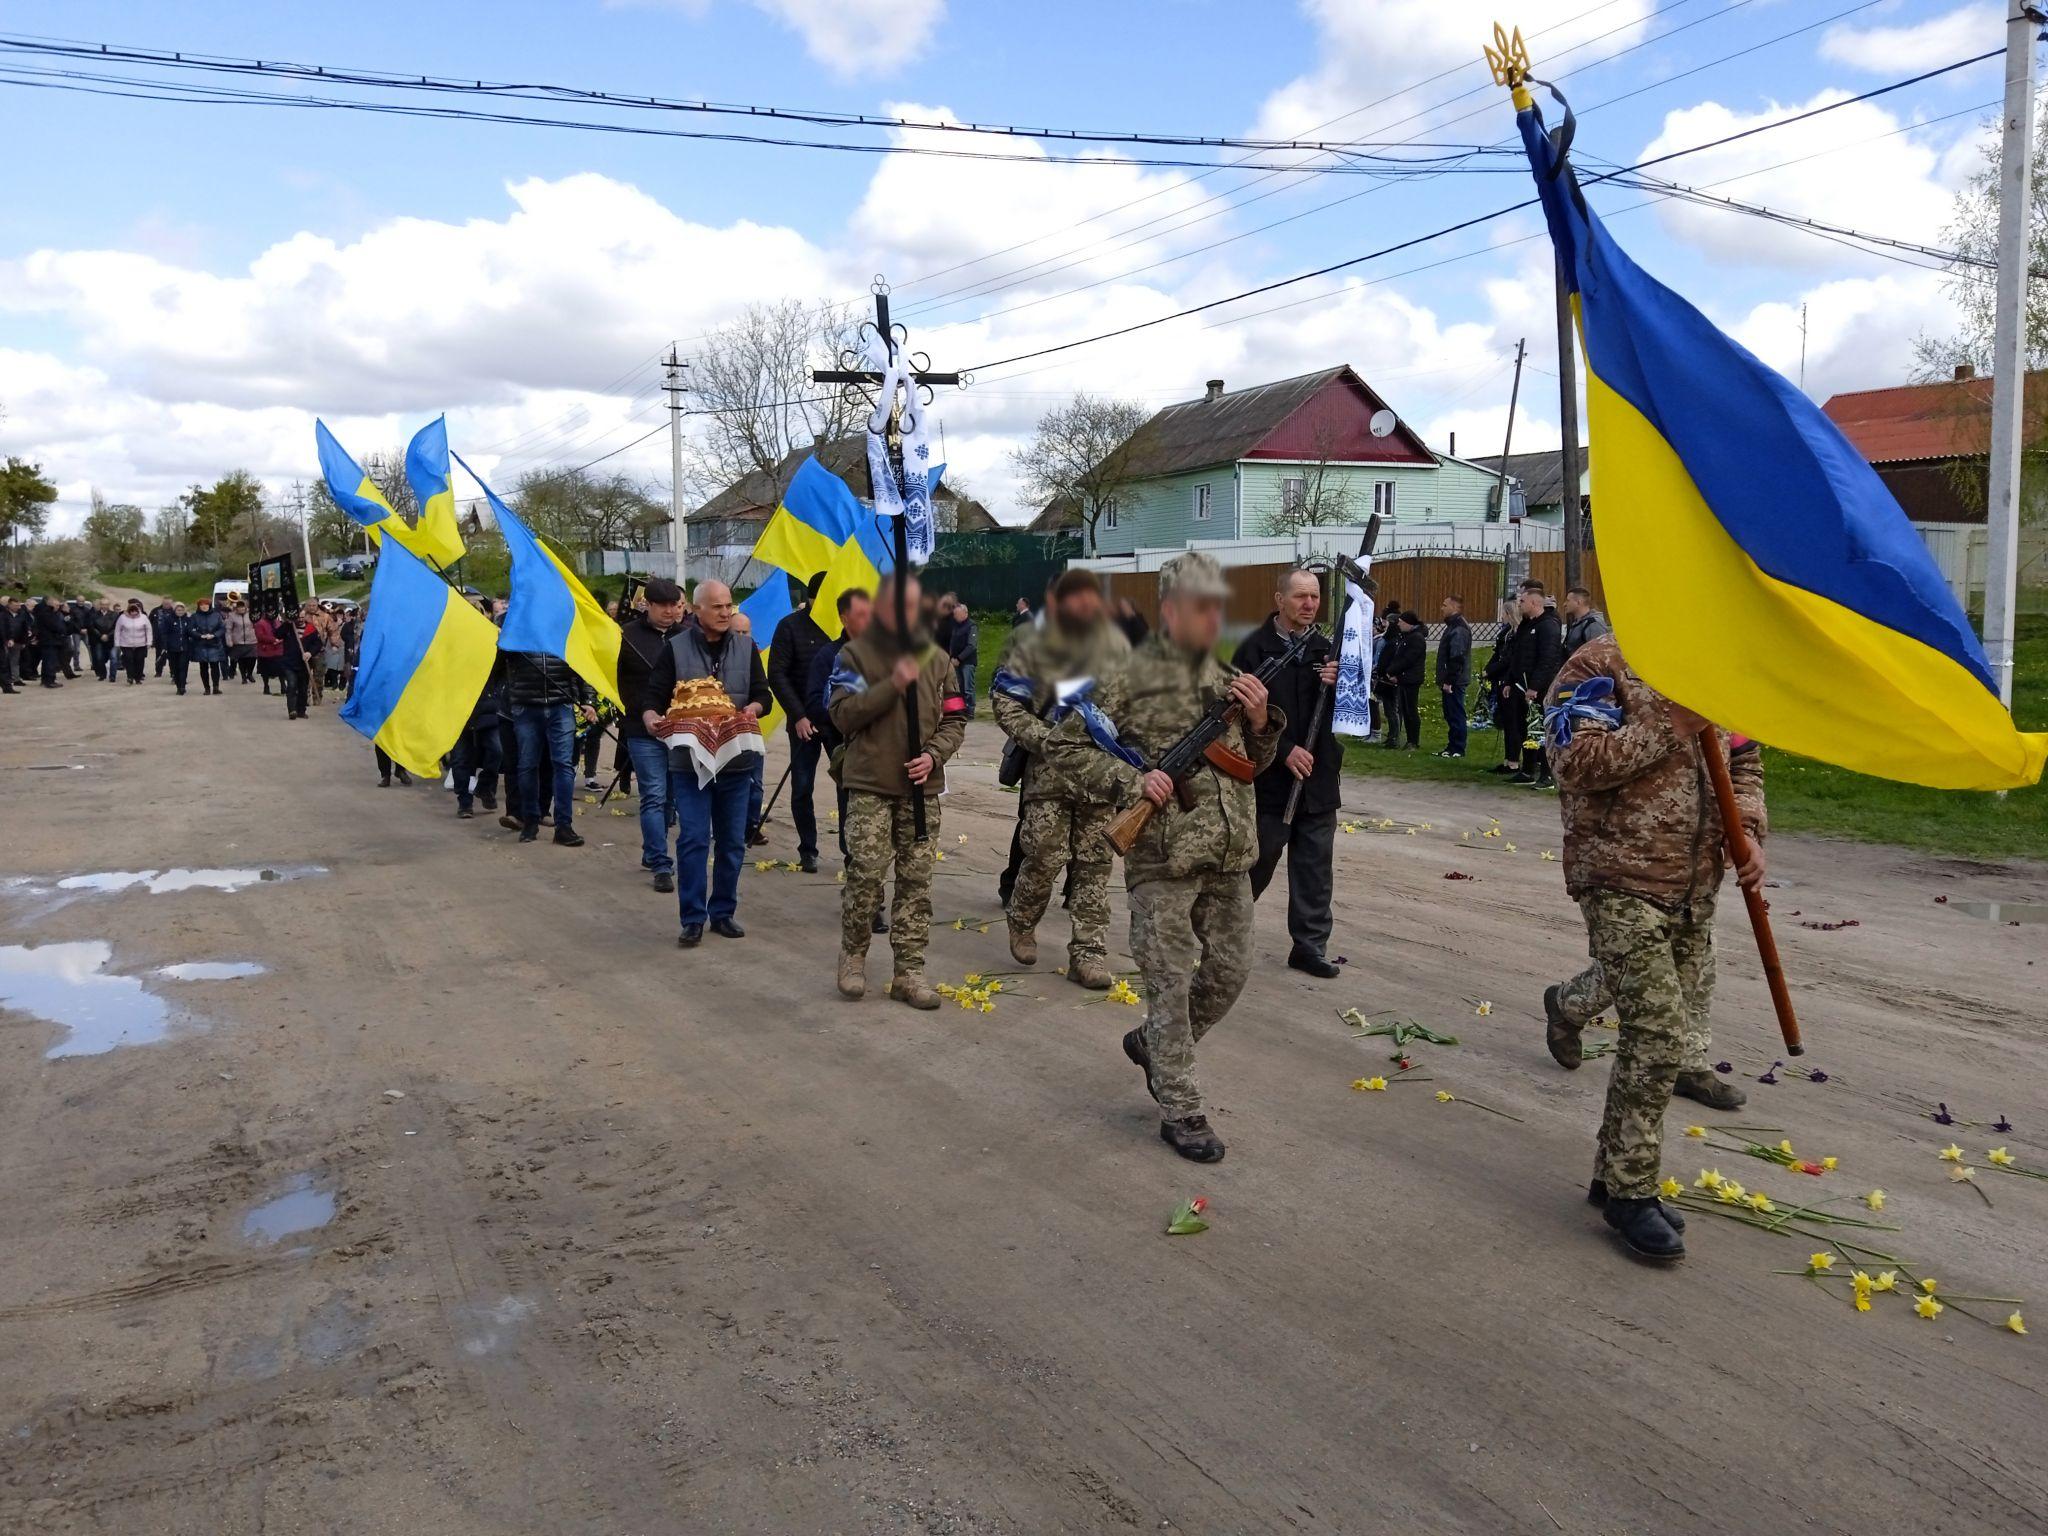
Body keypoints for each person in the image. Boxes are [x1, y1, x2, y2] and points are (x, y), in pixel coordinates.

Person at [1045, 551, 1284, 1165]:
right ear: (1172, 610)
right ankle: (1182, 1106)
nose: (1213, 617)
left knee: (1231, 972)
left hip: (1229, 857)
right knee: (1170, 984)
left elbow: (1251, 764)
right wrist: (1134, 783)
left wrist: (1261, 720)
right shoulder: (1128, 676)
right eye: (1202, 606)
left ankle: (1154, 1045)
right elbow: (1064, 746)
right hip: (1162, 860)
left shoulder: (1225, 673)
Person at [1545, 633, 1767, 1262]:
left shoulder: (1716, 663)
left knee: (1656, 1034)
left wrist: (1745, 830)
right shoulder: (1597, 666)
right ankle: (1631, 1194)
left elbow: (1745, 761)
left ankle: (1612, 1172)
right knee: (1660, 1032)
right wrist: (1670, 725)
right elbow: (1573, 764)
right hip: (1619, 876)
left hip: (1697, 882)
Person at [828, 573, 967, 1007]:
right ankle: (853, 956)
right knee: (867, 875)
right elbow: (842, 716)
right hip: (871, 783)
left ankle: (909, 972)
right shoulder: (855, 655)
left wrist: (935, 755)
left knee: (917, 882)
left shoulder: (941, 661)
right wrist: (893, 685)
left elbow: (956, 719)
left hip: (921, 791)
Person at [992, 567, 1130, 990]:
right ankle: (1022, 919)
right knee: (1045, 856)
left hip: (1100, 779)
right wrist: (1045, 740)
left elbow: (1132, 713)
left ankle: (1088, 955)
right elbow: (1005, 702)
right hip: (1050, 774)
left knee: (1093, 866)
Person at [642, 578, 770, 945]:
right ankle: (693, 918)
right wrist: (652, 718)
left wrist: (753, 709)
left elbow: (764, 695)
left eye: (729, 605)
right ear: (696, 610)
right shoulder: (675, 649)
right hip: (690, 764)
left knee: (731, 842)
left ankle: (723, 912)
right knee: (694, 839)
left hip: (736, 761)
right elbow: (653, 696)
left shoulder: (747, 648)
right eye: (717, 606)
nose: (725, 612)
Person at [1237, 567, 1341, 979]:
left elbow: (1353, 718)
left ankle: (1310, 945)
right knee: (1256, 862)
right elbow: (1237, 721)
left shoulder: (1328, 651)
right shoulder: (1252, 650)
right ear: (1279, 600)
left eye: (1314, 597)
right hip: (1270, 782)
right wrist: (1282, 751)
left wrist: (1342, 685)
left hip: (1318, 779)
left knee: (1315, 868)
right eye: (1300, 596)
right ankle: (1228, 934)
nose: (1309, 604)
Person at [618, 576, 687, 891]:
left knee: (671, 797)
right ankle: (661, 863)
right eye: (664, 605)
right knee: (654, 795)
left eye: (675, 605)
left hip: (681, 730)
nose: (670, 611)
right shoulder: (627, 636)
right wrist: (642, 711)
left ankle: (651, 849)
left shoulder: (687, 636)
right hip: (642, 729)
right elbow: (619, 682)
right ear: (647, 605)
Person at [806, 587, 876, 893]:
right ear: (844, 618)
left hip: (888, 756)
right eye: (861, 614)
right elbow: (816, 704)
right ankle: (861, 890)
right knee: (855, 820)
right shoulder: (830, 656)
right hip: (848, 754)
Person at [766, 573, 833, 875]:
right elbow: (777, 674)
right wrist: (798, 715)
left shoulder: (843, 628)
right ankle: (808, 848)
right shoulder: (790, 627)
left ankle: (851, 850)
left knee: (848, 785)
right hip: (803, 722)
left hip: (838, 723)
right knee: (802, 786)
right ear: (812, 597)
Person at [504, 647, 592, 847]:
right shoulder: (516, 623)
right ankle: (530, 820)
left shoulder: (563, 623)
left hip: (560, 704)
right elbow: (499, 659)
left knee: (563, 765)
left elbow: (583, 663)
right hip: (525, 705)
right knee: (527, 765)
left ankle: (564, 826)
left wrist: (588, 700)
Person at [1509, 581, 1564, 787]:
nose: (1519, 605)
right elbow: (1517, 656)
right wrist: (1510, 681)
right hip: (1520, 685)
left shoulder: (1548, 625)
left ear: (1534, 602)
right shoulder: (1526, 625)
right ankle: (1528, 769)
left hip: (1539, 688)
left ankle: (1547, 773)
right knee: (1525, 728)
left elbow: (1547, 659)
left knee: (1541, 730)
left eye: (1522, 601)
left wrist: (1535, 686)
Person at [1375, 611, 1425, 749]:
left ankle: (1413, 741)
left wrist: (1391, 671)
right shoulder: (1407, 637)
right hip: (1403, 679)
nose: (1398, 624)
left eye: (1401, 621)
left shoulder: (1416, 639)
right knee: (1405, 710)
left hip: (1411, 679)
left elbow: (1408, 659)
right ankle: (1409, 740)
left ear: (1408, 623)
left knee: (1410, 711)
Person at [1435, 594, 1472, 759]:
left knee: (1456, 713)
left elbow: (1457, 657)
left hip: (1455, 681)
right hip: (1451, 679)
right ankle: (1451, 746)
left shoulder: (1459, 629)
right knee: (1450, 713)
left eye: (1445, 605)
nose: (1441, 608)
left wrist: (1449, 680)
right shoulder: (1452, 626)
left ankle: (1458, 747)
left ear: (1454, 607)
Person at [273, 604, 310, 719]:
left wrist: (310, 653)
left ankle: (301, 711)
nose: (300, 619)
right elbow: (277, 634)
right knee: (292, 685)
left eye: (302, 617)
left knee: (303, 688)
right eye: (298, 617)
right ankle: (292, 710)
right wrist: (287, 623)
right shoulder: (289, 627)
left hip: (304, 664)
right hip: (289, 663)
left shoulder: (311, 629)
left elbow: (317, 644)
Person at [186, 595, 228, 696]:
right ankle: (207, 688)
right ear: (199, 606)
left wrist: (214, 635)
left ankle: (216, 687)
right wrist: (200, 636)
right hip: (201, 645)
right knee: (203, 667)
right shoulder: (194, 616)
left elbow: (222, 628)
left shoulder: (216, 615)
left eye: (206, 605)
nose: (204, 607)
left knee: (215, 666)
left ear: (209, 605)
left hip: (214, 644)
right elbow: (190, 630)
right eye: (202, 605)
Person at [946, 597, 979, 719]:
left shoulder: (972, 626)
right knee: (959, 687)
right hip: (955, 662)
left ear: (965, 613)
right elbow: (952, 643)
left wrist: (959, 659)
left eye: (957, 614)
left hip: (967, 662)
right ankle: (962, 709)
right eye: (954, 614)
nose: (955, 616)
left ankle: (970, 711)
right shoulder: (955, 626)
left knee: (968, 688)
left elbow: (971, 646)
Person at [1561, 585, 1610, 658]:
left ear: (1578, 602)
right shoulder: (1578, 623)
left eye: (1568, 600)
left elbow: (1599, 655)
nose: (1564, 604)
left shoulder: (1593, 625)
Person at [113, 599, 151, 684]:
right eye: (131, 611)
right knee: (129, 659)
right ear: (128, 611)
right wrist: (117, 643)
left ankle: (138, 677)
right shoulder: (122, 618)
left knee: (139, 659)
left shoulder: (143, 617)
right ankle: (130, 676)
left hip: (141, 643)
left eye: (135, 611)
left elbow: (148, 630)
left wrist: (149, 642)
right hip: (126, 643)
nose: (133, 613)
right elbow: (117, 630)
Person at [223, 600, 256, 684]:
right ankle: (243, 677)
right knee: (242, 660)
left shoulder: (251, 614)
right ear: (236, 608)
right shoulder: (232, 616)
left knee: (252, 659)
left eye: (242, 607)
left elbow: (256, 625)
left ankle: (249, 673)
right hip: (238, 642)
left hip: (251, 640)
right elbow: (228, 629)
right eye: (239, 607)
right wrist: (229, 640)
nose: (241, 608)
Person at [253, 607, 283, 694]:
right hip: (265, 651)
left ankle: (283, 686)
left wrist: (280, 639)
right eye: (269, 612)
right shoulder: (260, 623)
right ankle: (266, 686)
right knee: (265, 671)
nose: (271, 614)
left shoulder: (277, 622)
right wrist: (273, 640)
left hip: (278, 650)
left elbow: (282, 632)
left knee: (281, 669)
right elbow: (260, 636)